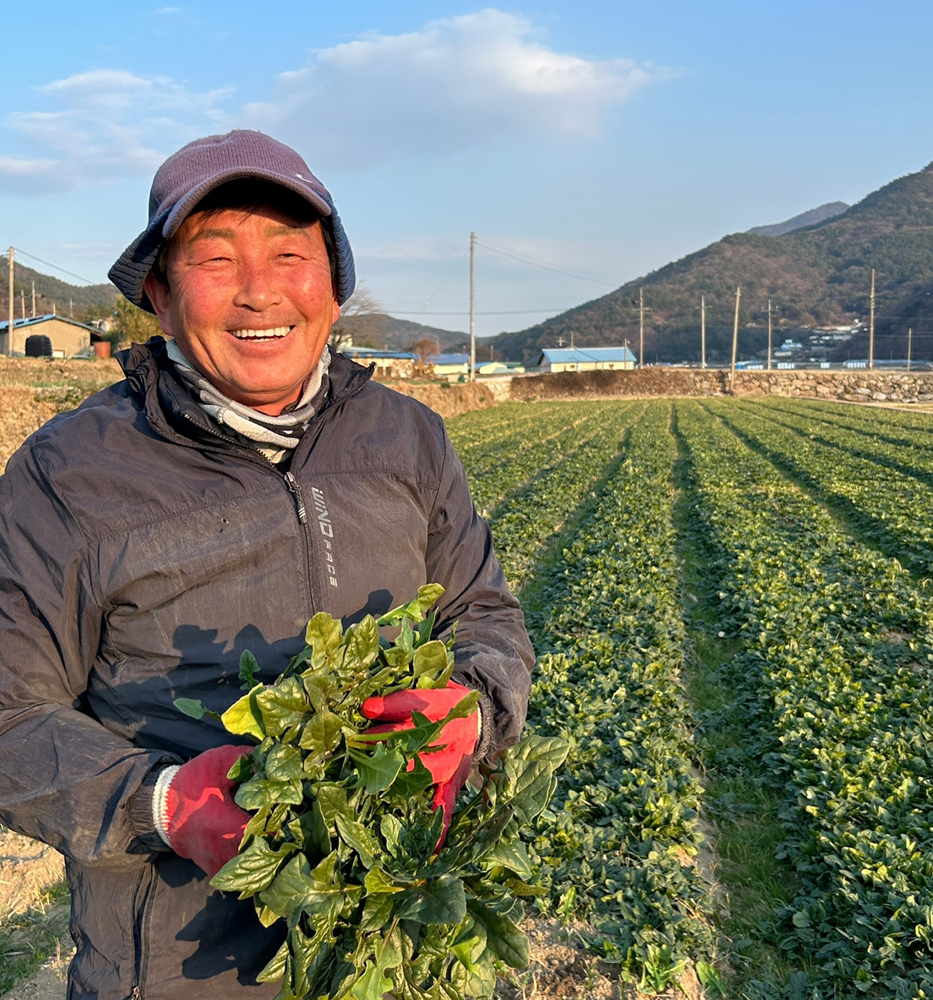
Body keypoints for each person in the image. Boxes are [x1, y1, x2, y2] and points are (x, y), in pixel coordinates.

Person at [0, 130, 533, 999]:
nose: (261, 289)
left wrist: (472, 708)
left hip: (392, 940)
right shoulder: (70, 474)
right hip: (177, 964)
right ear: (162, 295)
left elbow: (483, 615)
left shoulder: (407, 437)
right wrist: (164, 803)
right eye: (217, 258)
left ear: (332, 282)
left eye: (292, 253)